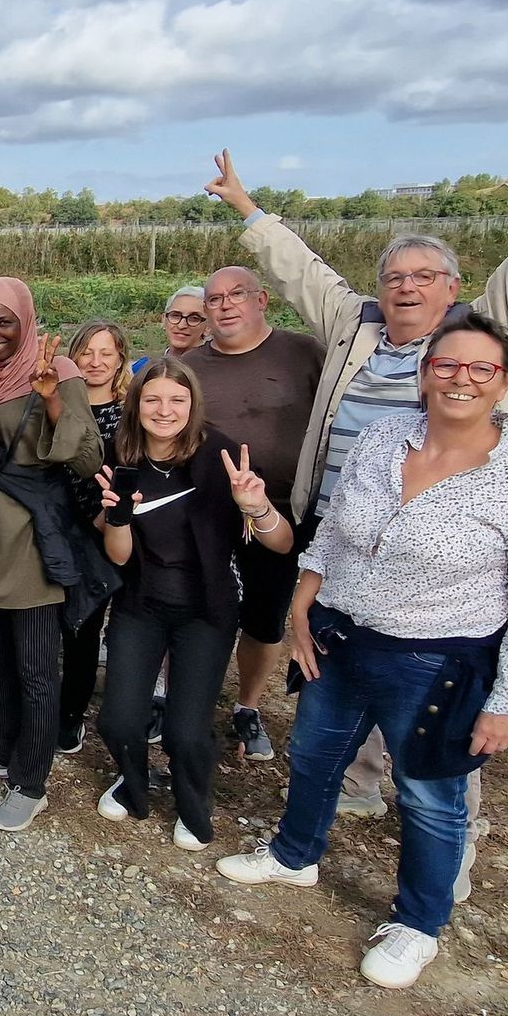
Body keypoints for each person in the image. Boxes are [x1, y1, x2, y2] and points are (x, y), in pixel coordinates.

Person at [205, 53, 508, 872]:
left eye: (424, 276)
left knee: (436, 690)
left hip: (451, 541)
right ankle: (360, 784)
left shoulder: (482, 329)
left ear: (455, 286)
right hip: (345, 526)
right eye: (395, 275)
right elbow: (299, 270)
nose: (406, 287)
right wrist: (248, 209)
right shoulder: (356, 326)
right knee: (342, 664)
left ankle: (448, 837)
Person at [217, 316, 508, 988]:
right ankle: (295, 854)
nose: (460, 380)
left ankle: (418, 924)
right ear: (425, 373)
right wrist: (305, 598)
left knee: (430, 794)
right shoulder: (386, 439)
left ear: (505, 382)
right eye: (446, 366)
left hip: (437, 659)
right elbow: (337, 528)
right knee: (317, 754)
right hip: (342, 636)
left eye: (480, 369)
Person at [91, 359, 295, 849]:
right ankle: (134, 784)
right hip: (140, 603)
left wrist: (256, 507)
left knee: (186, 730)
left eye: (177, 400)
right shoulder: (121, 456)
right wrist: (116, 519)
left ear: (193, 405)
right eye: (153, 399)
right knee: (118, 719)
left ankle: (193, 800)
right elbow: (117, 554)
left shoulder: (223, 457)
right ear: (136, 404)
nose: (165, 411)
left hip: (206, 609)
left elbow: (283, 544)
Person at [0, 278, 103, 831]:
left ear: (26, 321)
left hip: (35, 543)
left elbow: (87, 459)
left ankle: (31, 780)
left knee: (38, 669)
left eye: (4, 322)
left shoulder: (57, 373)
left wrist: (51, 399)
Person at [182, 268, 323, 763]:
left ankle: (247, 705)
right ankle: (180, 701)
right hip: (207, 513)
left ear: (262, 299)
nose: (224, 306)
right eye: (214, 299)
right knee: (196, 609)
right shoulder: (189, 365)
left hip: (279, 513)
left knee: (264, 619)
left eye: (235, 295)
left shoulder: (304, 353)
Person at [57, 319, 135, 754]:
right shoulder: (58, 405)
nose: (96, 362)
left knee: (83, 629)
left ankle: (71, 717)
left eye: (106, 353)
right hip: (52, 529)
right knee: (48, 626)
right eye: (87, 352)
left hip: (99, 534)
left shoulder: (128, 414)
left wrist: (101, 525)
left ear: (121, 357)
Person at [132, 288, 209, 372]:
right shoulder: (142, 368)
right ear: (164, 320)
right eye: (175, 315)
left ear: (208, 327)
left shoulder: (214, 372)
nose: (181, 325)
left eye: (194, 318)